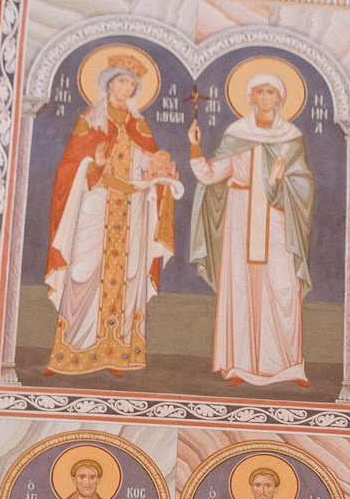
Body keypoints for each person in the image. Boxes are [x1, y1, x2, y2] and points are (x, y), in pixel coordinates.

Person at [43, 61, 179, 376]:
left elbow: (150, 166)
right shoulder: (88, 122)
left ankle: (116, 351)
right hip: (96, 205)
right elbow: (67, 170)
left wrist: (160, 173)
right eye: (121, 82)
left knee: (129, 275)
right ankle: (72, 349)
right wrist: (94, 163)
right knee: (83, 271)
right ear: (108, 85)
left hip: (132, 209)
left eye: (131, 85)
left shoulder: (140, 127)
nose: (126, 89)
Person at [188, 69, 315, 387]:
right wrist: (194, 147)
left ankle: (287, 365)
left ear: (280, 99)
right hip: (240, 218)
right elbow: (210, 174)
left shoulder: (291, 138)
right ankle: (240, 365)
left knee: (282, 286)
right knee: (242, 289)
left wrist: (281, 178)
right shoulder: (237, 134)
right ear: (250, 98)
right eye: (259, 92)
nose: (265, 99)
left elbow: (304, 184)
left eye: (271, 93)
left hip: (277, 220)